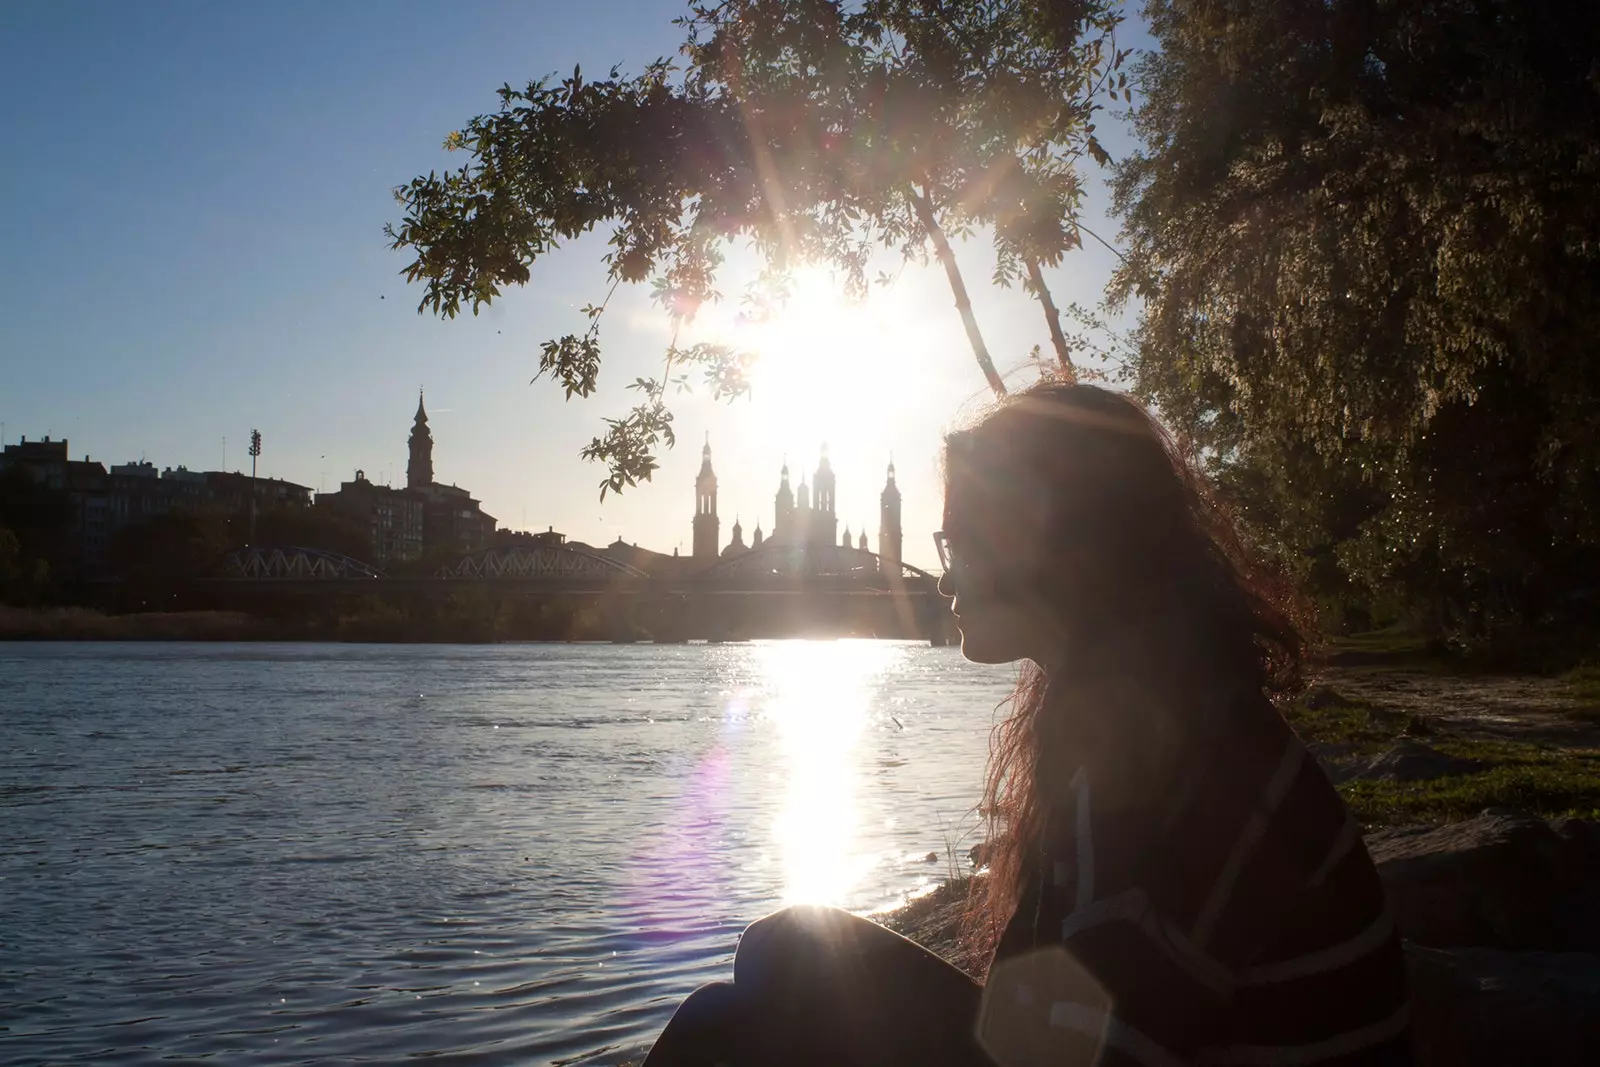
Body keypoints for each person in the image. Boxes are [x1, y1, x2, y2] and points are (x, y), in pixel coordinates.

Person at [643, 381, 1412, 1066]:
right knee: (786, 946)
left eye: (964, 545)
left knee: (726, 1024)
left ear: (1061, 542)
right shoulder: (1148, 713)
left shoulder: (1174, 768)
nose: (944, 574)